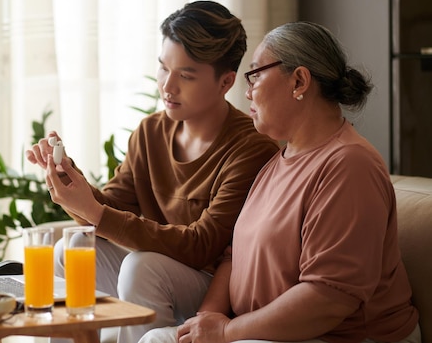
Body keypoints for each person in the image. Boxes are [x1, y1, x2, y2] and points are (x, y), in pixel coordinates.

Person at [140, 21, 421, 343]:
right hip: (265, 330)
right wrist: (206, 320)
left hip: (341, 336)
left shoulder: (349, 165)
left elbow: (329, 298)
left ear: (299, 81)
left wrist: (226, 331)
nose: (247, 91)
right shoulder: (279, 161)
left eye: (256, 74)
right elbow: (234, 257)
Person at [25, 0, 280, 343]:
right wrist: (69, 179)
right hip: (160, 270)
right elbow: (111, 209)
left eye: (186, 75)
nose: (167, 86)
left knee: (141, 266)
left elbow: (202, 245)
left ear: (225, 82)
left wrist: (95, 212)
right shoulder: (150, 132)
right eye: (163, 68)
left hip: (210, 288)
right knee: (71, 249)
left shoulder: (250, 147)